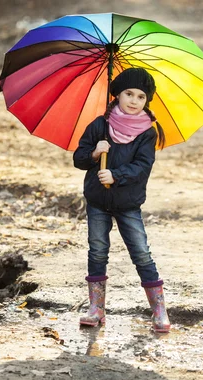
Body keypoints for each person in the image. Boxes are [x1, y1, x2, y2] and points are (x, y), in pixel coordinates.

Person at [73, 68, 170, 333]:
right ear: (117, 94)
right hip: (97, 201)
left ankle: (159, 309)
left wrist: (115, 175)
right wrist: (95, 153)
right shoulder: (100, 125)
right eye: (129, 93)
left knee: (140, 251)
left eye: (141, 97)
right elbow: (78, 159)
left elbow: (142, 166)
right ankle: (96, 309)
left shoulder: (147, 132)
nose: (134, 100)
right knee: (97, 249)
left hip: (128, 202)